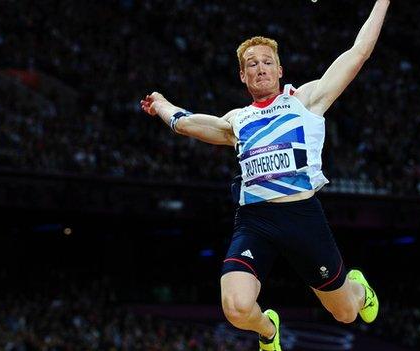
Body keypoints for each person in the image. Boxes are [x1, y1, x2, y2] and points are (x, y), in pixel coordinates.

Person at [141, 1, 389, 349]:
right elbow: (187, 123)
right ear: (242, 75)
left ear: (280, 70)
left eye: (267, 62)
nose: (261, 68)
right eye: (252, 64)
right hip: (256, 220)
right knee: (236, 306)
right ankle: (268, 332)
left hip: (302, 217)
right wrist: (162, 104)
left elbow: (359, 51)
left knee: (346, 313)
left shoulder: (307, 100)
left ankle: (360, 290)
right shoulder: (237, 121)